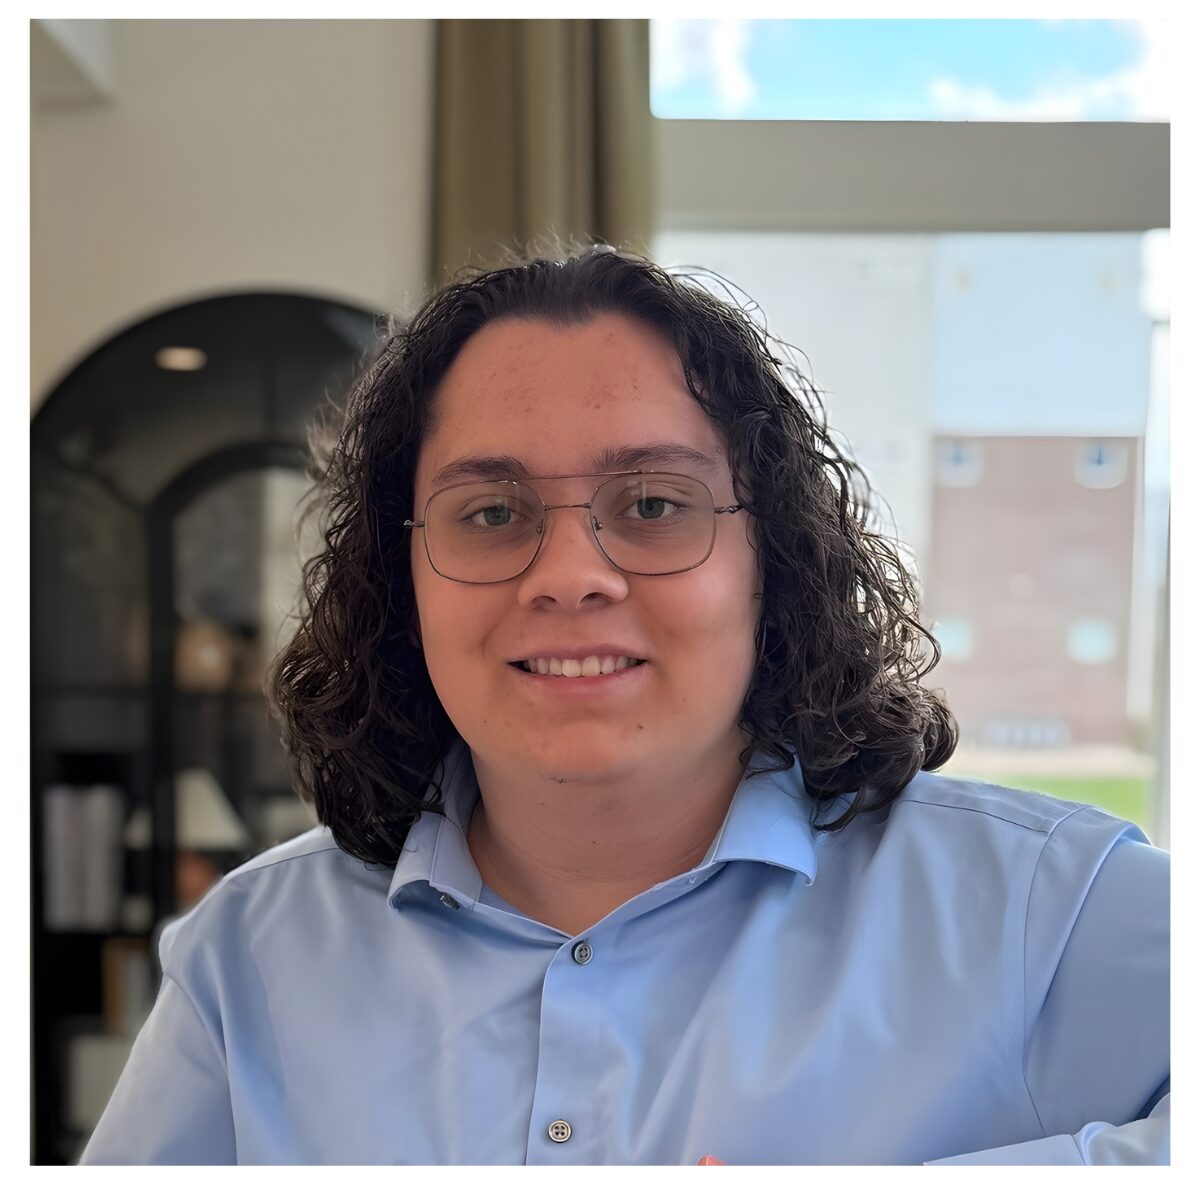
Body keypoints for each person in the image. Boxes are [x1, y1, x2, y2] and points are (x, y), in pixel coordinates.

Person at [79, 245, 1169, 1165]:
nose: (569, 576)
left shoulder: (1043, 913)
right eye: (491, 512)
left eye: (652, 503)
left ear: (771, 561)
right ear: (398, 580)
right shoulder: (248, 959)